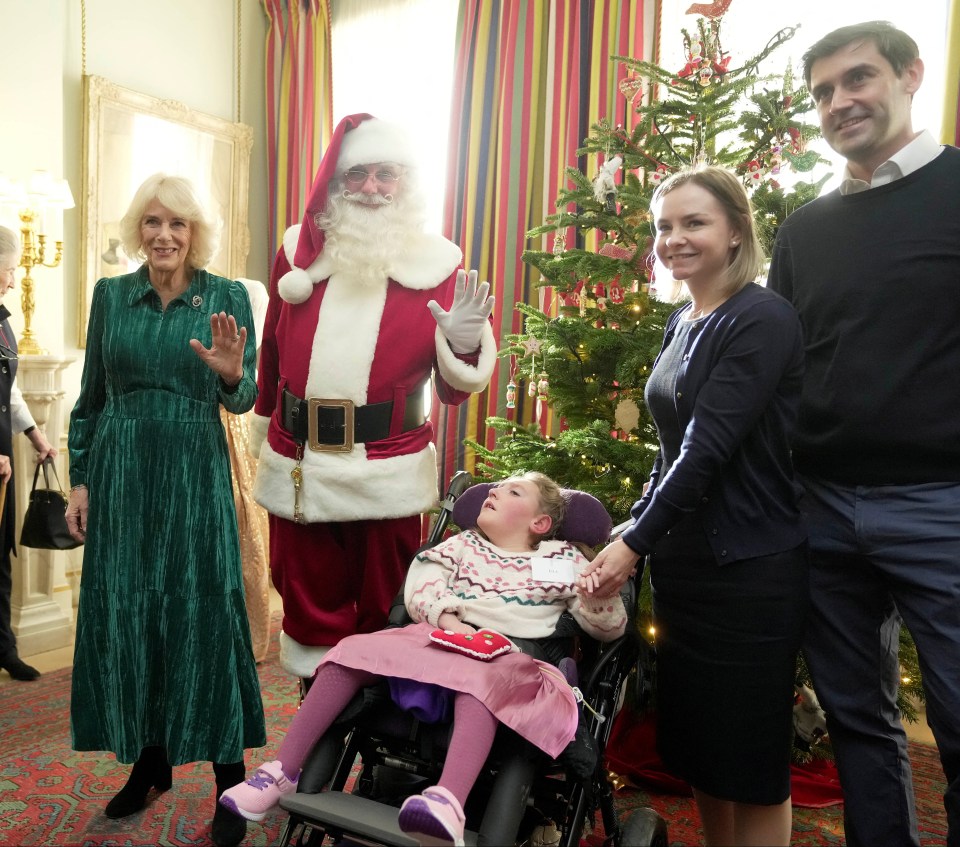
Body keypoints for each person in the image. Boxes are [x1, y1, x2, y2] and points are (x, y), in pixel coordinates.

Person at [766, 21, 960, 847]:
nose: (840, 102)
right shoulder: (804, 229)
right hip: (823, 511)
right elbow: (782, 367)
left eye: (858, 79)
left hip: (943, 509)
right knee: (858, 722)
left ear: (910, 75)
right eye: (822, 92)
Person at [579, 166, 809, 846]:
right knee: (706, 748)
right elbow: (670, 446)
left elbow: (707, 450)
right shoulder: (686, 318)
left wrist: (631, 545)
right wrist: (638, 521)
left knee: (753, 760)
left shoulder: (762, 318)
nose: (674, 239)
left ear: (736, 230)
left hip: (751, 571)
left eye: (694, 223)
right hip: (689, 570)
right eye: (663, 227)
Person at [220, 471, 627, 844]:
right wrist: (451, 622)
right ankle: (282, 772)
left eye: (513, 490)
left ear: (539, 523)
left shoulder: (564, 560)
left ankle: (447, 800)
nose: (495, 490)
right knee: (352, 651)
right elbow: (423, 584)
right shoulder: (462, 545)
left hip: (508, 654)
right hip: (440, 636)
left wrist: (596, 593)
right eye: (496, 486)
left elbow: (609, 627)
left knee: (481, 678)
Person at [250, 113, 497, 684]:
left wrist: (461, 343)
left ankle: (380, 752)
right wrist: (266, 420)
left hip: (386, 469)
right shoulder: (297, 256)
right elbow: (271, 351)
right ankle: (317, 728)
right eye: (357, 174)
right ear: (335, 185)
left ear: (406, 184)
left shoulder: (440, 266)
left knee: (384, 615)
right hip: (300, 467)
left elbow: (456, 391)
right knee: (308, 614)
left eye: (386, 174)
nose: (370, 188)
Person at [65, 174, 266, 847]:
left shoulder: (226, 296)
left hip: (193, 474)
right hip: (121, 479)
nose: (163, 235)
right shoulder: (110, 297)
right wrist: (82, 479)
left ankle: (230, 775)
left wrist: (234, 374)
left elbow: (243, 400)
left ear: (194, 233)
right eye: (152, 222)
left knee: (203, 612)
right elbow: (91, 396)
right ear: (137, 230)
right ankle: (151, 762)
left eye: (177, 224)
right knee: (135, 613)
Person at [0, 225, 57, 682]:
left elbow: (9, 391)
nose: (14, 280)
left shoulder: (3, 322)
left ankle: (4, 647)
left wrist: (36, 436)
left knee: (1, 555)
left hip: (4, 460)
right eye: (10, 270)